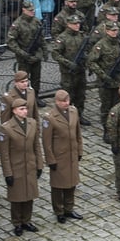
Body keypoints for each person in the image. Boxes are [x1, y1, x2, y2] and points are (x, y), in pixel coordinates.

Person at [0, 98, 44, 234]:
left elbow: (36, 145)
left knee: (29, 194)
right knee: (17, 197)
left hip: (29, 165)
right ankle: (17, 222)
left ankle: (27, 220)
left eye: (25, 109)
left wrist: (39, 164)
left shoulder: (32, 123)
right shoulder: (6, 128)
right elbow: (4, 153)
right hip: (16, 167)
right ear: (14, 111)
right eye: (21, 109)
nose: (25, 111)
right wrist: (8, 173)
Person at [42, 89, 84, 224]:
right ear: (56, 102)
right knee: (58, 186)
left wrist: (79, 151)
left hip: (71, 154)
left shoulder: (73, 111)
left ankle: (69, 208)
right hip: (59, 157)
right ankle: (59, 211)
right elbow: (46, 142)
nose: (66, 103)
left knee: (71, 183)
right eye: (63, 101)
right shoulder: (50, 117)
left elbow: (78, 133)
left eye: (67, 100)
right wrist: (50, 160)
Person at [52, 13, 91, 124]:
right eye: (74, 24)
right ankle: (65, 116)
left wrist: (86, 59)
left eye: (78, 23)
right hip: (68, 72)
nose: (77, 25)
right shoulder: (62, 38)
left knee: (81, 94)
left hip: (80, 69)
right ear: (68, 24)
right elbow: (55, 54)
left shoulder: (82, 36)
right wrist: (68, 63)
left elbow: (87, 50)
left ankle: (79, 115)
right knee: (68, 94)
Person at [7, 1, 46, 102]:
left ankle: (35, 97)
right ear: (24, 10)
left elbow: (41, 38)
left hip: (36, 54)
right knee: (23, 79)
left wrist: (45, 51)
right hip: (24, 56)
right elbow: (10, 41)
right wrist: (21, 52)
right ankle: (22, 99)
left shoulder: (36, 21)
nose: (32, 12)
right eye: (30, 10)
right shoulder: (17, 24)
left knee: (36, 78)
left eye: (33, 10)